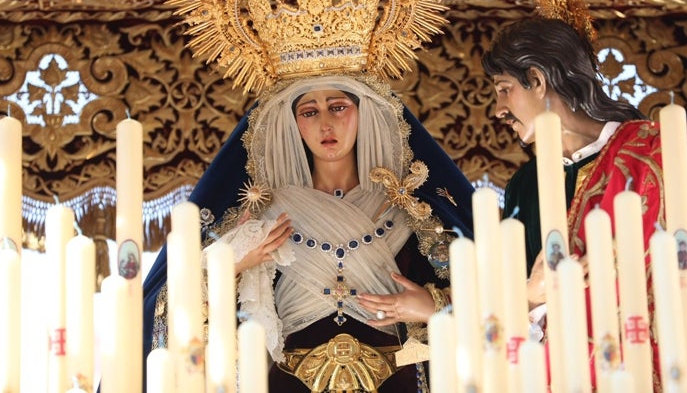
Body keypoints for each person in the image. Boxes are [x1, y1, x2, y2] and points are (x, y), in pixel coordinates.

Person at [142, 74, 474, 392]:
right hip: (289, 382)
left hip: (395, 380)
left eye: (338, 106)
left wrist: (436, 305)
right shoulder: (262, 219)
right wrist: (230, 267)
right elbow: (170, 307)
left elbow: (491, 299)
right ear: (293, 122)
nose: (325, 124)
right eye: (309, 112)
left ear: (365, 111)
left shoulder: (409, 212)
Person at [482, 15, 687, 391]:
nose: (498, 110)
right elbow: (517, 313)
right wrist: (531, 296)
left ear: (538, 81)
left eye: (503, 89)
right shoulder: (525, 188)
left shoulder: (663, 152)